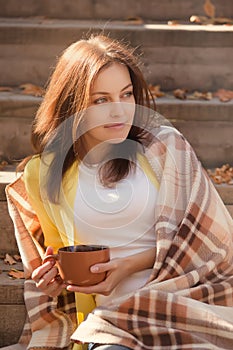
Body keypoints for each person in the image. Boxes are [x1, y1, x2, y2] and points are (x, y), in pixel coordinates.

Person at [5, 34, 233, 350]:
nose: (120, 111)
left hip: (185, 300)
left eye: (126, 95)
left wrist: (129, 265)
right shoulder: (42, 174)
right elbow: (61, 259)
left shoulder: (165, 149)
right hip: (110, 323)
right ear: (73, 106)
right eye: (101, 100)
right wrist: (53, 280)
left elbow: (212, 245)